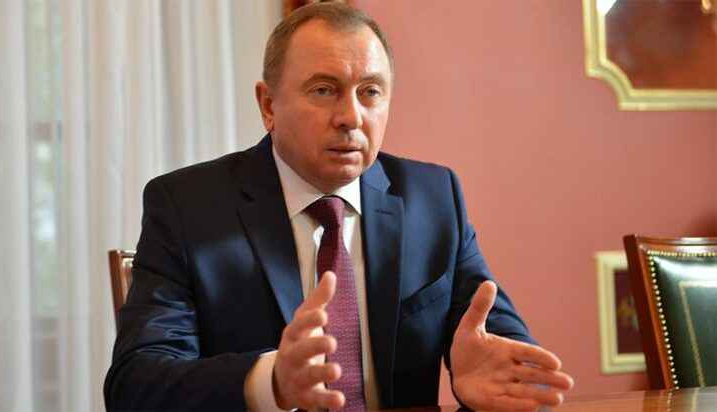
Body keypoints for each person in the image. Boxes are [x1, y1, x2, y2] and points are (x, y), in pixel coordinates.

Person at [104, 3, 574, 411]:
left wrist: (495, 387)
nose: (351, 117)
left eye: (370, 91)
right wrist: (270, 382)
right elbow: (135, 385)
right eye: (324, 90)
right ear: (268, 105)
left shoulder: (432, 199)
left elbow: (505, 356)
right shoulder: (188, 207)